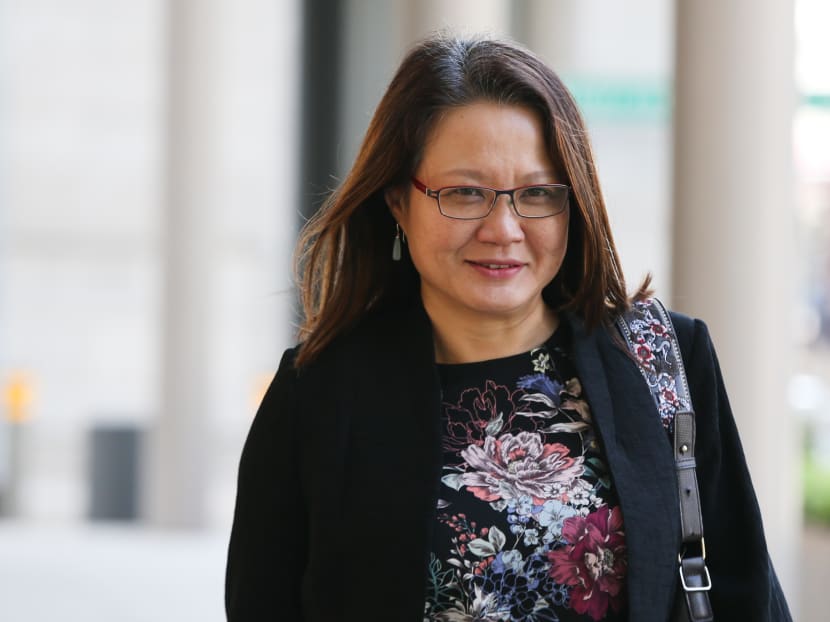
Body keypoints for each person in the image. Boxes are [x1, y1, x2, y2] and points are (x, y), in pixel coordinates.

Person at [225, 33, 792, 622]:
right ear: (398, 200)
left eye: (537, 194)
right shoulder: (317, 393)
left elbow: (745, 592)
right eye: (465, 193)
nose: (504, 228)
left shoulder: (663, 358)